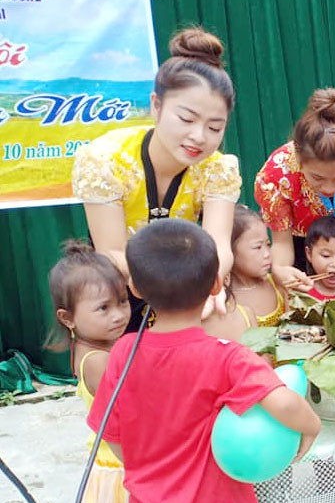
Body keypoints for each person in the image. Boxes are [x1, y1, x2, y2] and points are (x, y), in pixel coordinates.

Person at [88, 219, 321, 503]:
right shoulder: (225, 355)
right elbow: (283, 401)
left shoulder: (124, 352)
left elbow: (111, 437)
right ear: (217, 282)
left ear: (134, 286)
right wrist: (309, 428)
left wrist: (153, 470)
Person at [72, 26, 242, 329]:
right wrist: (170, 291)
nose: (198, 137)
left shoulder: (219, 168)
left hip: (189, 283)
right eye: (186, 119)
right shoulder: (105, 159)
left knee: (224, 320)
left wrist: (207, 288)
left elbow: (219, 246)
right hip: (121, 286)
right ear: (156, 106)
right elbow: (111, 250)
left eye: (215, 128)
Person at [47, 241, 154, 503]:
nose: (119, 315)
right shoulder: (98, 361)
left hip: (110, 468)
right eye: (103, 308)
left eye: (123, 302)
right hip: (125, 469)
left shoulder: (100, 348)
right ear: (68, 318)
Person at [254, 88, 335, 283]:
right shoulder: (276, 175)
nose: (330, 188)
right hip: (301, 245)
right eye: (317, 178)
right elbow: (282, 243)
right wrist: (281, 270)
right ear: (298, 159)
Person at [202, 205, 285, 343]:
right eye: (257, 247)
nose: (267, 254)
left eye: (268, 244)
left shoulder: (277, 284)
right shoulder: (223, 302)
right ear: (229, 250)